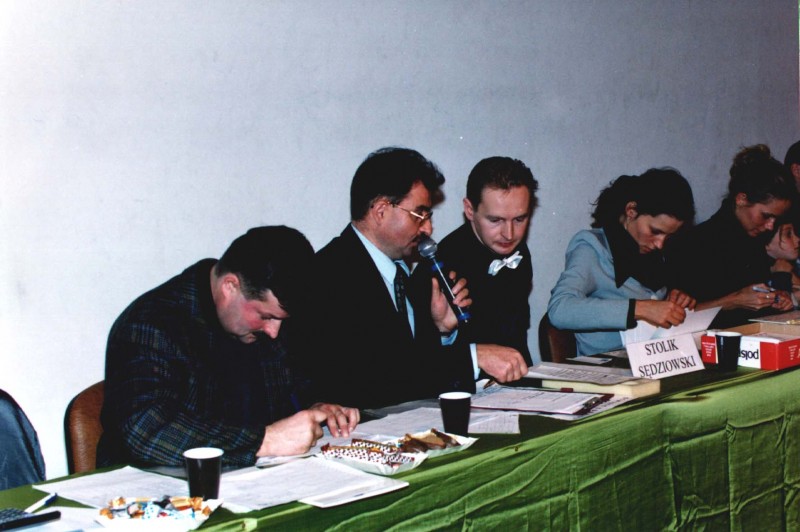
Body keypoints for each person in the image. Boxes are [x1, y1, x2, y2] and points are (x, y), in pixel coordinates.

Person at [98, 226, 359, 469]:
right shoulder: (151, 325)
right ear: (230, 287)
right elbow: (147, 431)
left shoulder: (266, 319)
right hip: (157, 486)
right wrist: (265, 440)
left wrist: (316, 407)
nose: (273, 332)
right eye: (265, 317)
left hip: (256, 478)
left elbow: (295, 385)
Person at [300, 147, 525, 410]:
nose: (428, 228)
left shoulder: (402, 272)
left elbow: (415, 362)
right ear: (381, 210)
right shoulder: (331, 274)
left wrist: (442, 330)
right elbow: (378, 378)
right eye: (420, 215)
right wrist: (474, 357)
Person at [547, 168, 697, 356]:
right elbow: (559, 309)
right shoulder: (593, 248)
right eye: (655, 231)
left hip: (655, 359)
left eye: (668, 236)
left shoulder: (653, 252)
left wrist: (674, 301)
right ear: (631, 211)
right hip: (607, 365)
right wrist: (639, 308)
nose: (660, 244)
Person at [669, 144, 795, 328]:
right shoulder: (695, 243)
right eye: (766, 216)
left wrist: (776, 298)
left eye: (776, 219)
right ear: (741, 199)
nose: (770, 226)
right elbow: (679, 317)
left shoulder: (755, 241)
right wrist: (734, 301)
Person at [437, 156, 538, 366]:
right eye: (495, 220)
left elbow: (517, 338)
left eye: (520, 219)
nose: (509, 234)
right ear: (469, 210)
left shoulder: (519, 252)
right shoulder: (443, 263)